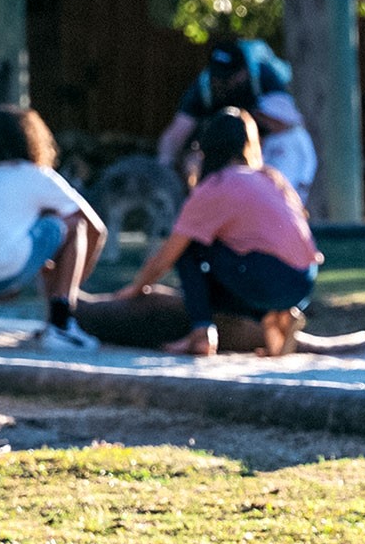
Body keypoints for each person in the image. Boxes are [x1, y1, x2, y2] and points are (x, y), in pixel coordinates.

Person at [120, 108, 320, 357]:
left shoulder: (217, 185)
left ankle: (202, 332)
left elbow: (167, 256)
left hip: (270, 281)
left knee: (190, 249)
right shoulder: (270, 177)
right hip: (303, 282)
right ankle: (278, 315)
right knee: (223, 266)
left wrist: (136, 288)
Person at [0, 106, 108, 351]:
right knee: (70, 225)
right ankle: (60, 323)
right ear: (31, 139)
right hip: (3, 273)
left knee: (11, 236)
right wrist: (68, 283)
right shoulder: (35, 174)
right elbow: (95, 228)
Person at [158, 37, 317, 203]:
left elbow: (287, 125)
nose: (221, 82)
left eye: (228, 77)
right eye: (217, 76)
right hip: (221, 149)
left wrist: (255, 155)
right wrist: (164, 168)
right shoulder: (205, 87)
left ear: (243, 73)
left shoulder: (264, 79)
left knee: (275, 180)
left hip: (266, 150)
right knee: (193, 161)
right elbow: (175, 134)